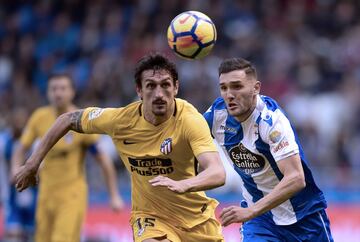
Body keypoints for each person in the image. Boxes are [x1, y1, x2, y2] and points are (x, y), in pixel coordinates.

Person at [15, 53, 226, 242]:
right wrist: (32, 164)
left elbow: (217, 172)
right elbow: (68, 119)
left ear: (176, 87)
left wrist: (184, 185)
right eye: (151, 86)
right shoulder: (121, 120)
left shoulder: (189, 120)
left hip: (196, 220)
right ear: (139, 90)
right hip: (151, 217)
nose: (159, 93)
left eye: (166, 85)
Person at [203, 58, 334, 241]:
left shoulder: (271, 121)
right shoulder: (217, 116)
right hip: (261, 220)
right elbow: (187, 139)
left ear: (256, 88)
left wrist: (250, 211)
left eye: (237, 86)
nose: (229, 95)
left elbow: (296, 178)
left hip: (304, 216)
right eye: (224, 88)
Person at [11, 74, 124, 242]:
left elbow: (104, 160)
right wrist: (15, 171)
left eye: (63, 88)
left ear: (72, 92)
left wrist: (114, 195)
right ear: (48, 92)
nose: (58, 93)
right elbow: (20, 149)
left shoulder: (82, 121)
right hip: (45, 194)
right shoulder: (39, 118)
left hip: (72, 196)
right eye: (53, 89)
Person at [1, 108, 37, 242]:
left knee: (33, 236)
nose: (19, 124)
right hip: (12, 198)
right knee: (13, 235)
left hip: (34, 198)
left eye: (22, 121)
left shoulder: (36, 143)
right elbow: (10, 176)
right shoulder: (4, 142)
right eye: (16, 121)